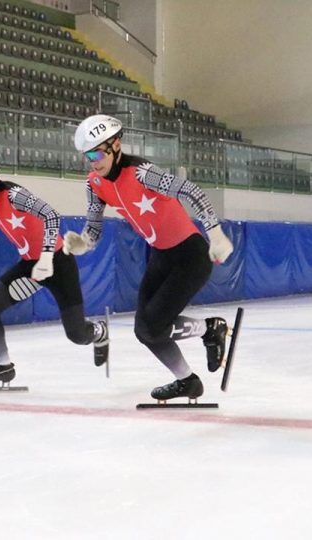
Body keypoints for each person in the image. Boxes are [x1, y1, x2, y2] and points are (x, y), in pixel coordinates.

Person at [69, 114, 234, 402]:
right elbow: (94, 225)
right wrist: (84, 242)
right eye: (87, 156)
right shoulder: (94, 182)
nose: (93, 161)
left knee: (154, 325)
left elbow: (192, 191)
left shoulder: (143, 173)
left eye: (96, 153)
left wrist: (216, 233)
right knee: (145, 331)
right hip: (160, 256)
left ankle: (211, 328)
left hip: (190, 256)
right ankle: (188, 381)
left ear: (116, 144)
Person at [0, 150, 108, 386]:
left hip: (59, 264)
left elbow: (51, 216)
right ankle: (2, 366)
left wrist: (46, 258)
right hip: (30, 268)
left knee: (76, 334)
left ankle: (99, 332)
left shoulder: (15, 196)